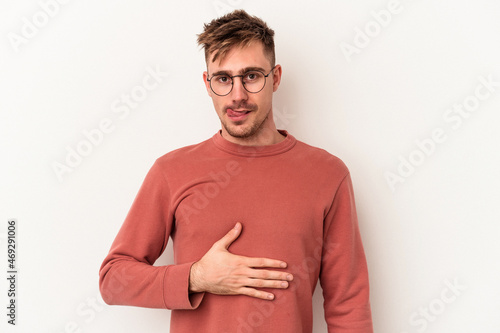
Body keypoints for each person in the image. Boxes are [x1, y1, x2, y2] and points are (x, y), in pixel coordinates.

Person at [99, 9, 373, 333]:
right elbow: (113, 279)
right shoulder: (171, 171)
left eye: (252, 76)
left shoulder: (328, 175)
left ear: (276, 77)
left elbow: (348, 307)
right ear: (207, 83)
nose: (238, 95)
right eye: (224, 79)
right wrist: (196, 277)